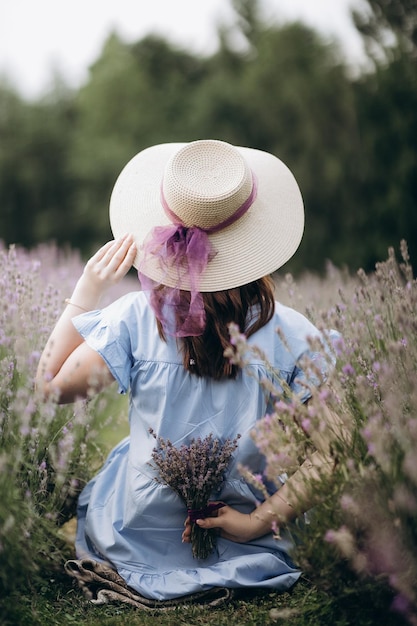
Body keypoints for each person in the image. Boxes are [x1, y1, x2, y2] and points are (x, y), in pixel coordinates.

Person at [36, 139, 340, 606]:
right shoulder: (295, 335)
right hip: (248, 544)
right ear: (253, 242)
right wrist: (255, 523)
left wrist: (86, 291)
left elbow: (48, 386)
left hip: (134, 535)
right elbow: (332, 453)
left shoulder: (135, 319)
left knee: (120, 464)